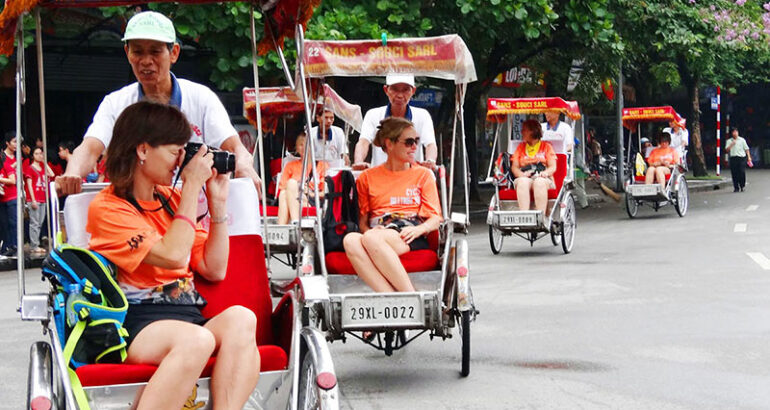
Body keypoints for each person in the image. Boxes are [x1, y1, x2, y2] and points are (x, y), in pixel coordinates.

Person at [86, 101, 259, 409]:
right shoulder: (108, 207)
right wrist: (192, 185)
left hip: (188, 315)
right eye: (174, 151)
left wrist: (218, 206)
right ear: (142, 150)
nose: (181, 162)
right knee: (198, 340)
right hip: (135, 323)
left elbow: (214, 268)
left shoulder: (170, 199)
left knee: (241, 319)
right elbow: (174, 256)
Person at [56, 11, 260, 196]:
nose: (146, 61)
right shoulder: (115, 103)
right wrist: (72, 173)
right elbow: (90, 148)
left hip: (194, 209)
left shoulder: (201, 98)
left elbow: (236, 147)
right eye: (138, 52)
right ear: (127, 52)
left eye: (155, 52)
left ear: (174, 53)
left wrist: (244, 165)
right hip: (136, 212)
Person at [344, 117, 442, 293]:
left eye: (416, 142)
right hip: (378, 231)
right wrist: (371, 233)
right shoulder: (367, 177)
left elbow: (436, 218)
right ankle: (391, 298)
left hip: (409, 232)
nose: (414, 147)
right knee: (350, 240)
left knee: (372, 238)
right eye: (409, 142)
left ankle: (409, 295)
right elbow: (362, 223)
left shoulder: (423, 175)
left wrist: (419, 230)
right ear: (389, 144)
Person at [353, 74, 437, 170]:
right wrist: (358, 162)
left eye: (405, 90)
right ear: (386, 90)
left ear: (413, 91)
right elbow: (363, 141)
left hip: (413, 179)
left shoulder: (423, 115)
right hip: (380, 178)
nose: (400, 95)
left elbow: (430, 144)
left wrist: (430, 161)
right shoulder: (373, 115)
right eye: (395, 89)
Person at [277, 132, 328, 224]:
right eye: (300, 145)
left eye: (306, 144)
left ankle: (285, 226)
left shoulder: (322, 166)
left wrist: (310, 193)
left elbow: (326, 192)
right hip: (295, 197)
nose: (303, 147)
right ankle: (294, 222)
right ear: (296, 148)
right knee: (285, 192)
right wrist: (298, 189)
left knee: (290, 186)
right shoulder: (290, 166)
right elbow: (282, 188)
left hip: (312, 199)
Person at [510, 119, 557, 214]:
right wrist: (522, 175)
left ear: (533, 131)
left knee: (539, 182)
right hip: (526, 176)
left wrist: (545, 173)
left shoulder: (546, 147)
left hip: (543, 177)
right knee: (522, 182)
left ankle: (541, 216)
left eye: (524, 130)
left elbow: (552, 167)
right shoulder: (520, 147)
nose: (522, 132)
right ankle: (524, 216)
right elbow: (514, 167)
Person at [24, 147, 54, 256]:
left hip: (43, 198)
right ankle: (34, 245)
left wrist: (44, 163)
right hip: (35, 198)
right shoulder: (30, 168)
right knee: (34, 223)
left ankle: (36, 244)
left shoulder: (42, 168)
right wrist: (33, 199)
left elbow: (51, 174)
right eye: (36, 154)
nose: (39, 156)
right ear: (33, 155)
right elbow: (29, 185)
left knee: (40, 222)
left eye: (40, 153)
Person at [0, 132, 19, 257]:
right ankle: (6, 247)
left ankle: (14, 246)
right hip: (3, 199)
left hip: (11, 197)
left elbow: (13, 181)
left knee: (13, 223)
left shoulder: (6, 165)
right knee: (5, 224)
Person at [725, 128, 753, 192]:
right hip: (733, 158)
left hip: (741, 158)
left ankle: (742, 185)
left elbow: (746, 149)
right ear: (732, 133)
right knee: (734, 173)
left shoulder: (742, 140)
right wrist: (731, 144)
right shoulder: (729, 141)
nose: (735, 133)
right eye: (734, 132)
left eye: (736, 132)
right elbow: (726, 150)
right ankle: (736, 187)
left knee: (741, 172)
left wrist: (749, 157)